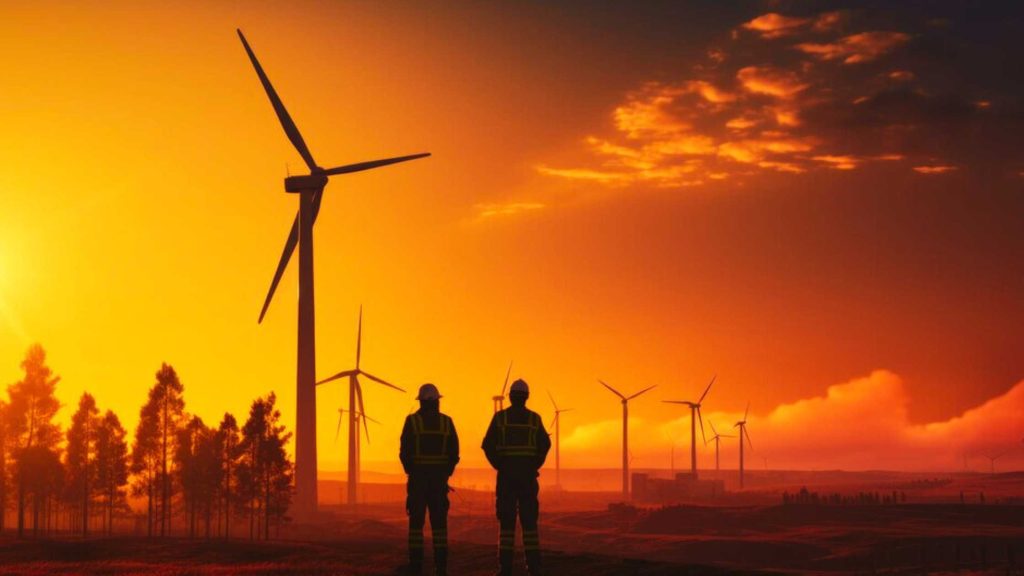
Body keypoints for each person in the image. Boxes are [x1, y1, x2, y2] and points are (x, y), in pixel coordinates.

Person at [482, 378, 552, 576]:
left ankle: (505, 568)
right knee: (529, 523)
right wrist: (534, 464)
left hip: (506, 478)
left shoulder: (500, 418)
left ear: (511, 396)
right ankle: (534, 567)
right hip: (528, 478)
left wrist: (499, 465)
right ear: (527, 397)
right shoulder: (534, 419)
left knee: (506, 524)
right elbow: (545, 445)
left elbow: (487, 444)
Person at [400, 383, 460, 576]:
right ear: (437, 401)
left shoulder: (412, 421)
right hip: (438, 482)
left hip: (418, 482)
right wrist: (445, 474)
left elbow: (404, 452)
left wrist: (412, 472)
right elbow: (454, 453)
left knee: (416, 526)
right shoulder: (447, 422)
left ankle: (415, 566)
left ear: (421, 401)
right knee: (440, 526)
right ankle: (440, 568)